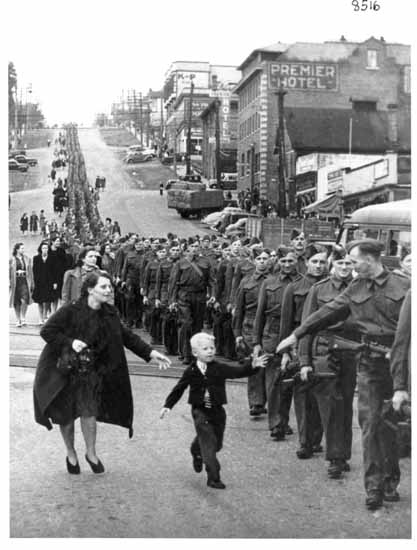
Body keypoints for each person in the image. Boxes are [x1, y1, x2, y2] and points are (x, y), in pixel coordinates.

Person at [277, 239, 410, 510]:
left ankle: (390, 478)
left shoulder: (405, 287)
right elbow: (326, 311)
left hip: (402, 363)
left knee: (390, 424)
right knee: (370, 423)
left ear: (370, 260)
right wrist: (296, 334)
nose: (349, 265)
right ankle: (373, 488)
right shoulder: (356, 286)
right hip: (370, 363)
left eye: (354, 260)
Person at [33, 271, 171, 475]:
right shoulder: (70, 310)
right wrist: (70, 342)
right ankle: (71, 453)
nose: (108, 291)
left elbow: (126, 336)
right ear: (90, 290)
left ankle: (91, 453)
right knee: (67, 417)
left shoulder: (109, 312)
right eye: (103, 287)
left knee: (89, 412)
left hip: (91, 371)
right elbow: (47, 331)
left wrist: (150, 352)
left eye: (109, 287)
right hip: (65, 372)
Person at [160, 332, 268, 489]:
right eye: (205, 348)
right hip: (200, 411)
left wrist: (252, 366)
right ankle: (214, 477)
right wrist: (167, 406)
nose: (210, 351)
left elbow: (237, 372)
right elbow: (179, 389)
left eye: (212, 348)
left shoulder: (219, 368)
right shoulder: (191, 371)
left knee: (216, 445)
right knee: (209, 444)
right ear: (195, 353)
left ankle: (196, 450)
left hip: (217, 411)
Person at [297, 245, 357, 478]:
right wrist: (304, 360)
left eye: (348, 263)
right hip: (323, 351)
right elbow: (307, 325)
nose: (344, 267)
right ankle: (336, 458)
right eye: (340, 263)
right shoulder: (319, 289)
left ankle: (342, 453)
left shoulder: (360, 288)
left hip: (350, 352)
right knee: (331, 405)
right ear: (332, 266)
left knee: (346, 406)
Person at [279, 243, 329, 458]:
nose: (318, 266)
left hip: (326, 346)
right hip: (301, 343)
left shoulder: (333, 286)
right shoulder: (295, 287)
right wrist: (286, 351)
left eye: (322, 262)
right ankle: (306, 441)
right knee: (303, 394)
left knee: (323, 394)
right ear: (306, 262)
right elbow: (286, 321)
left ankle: (316, 439)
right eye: (315, 261)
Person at [253, 247, 301, 439]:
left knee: (290, 382)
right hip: (272, 336)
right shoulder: (268, 283)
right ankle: (276, 424)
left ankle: (284, 420)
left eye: (291, 261)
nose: (287, 264)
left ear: (297, 260)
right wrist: (256, 342)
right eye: (283, 261)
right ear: (278, 262)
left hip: (295, 334)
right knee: (274, 382)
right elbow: (259, 314)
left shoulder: (304, 283)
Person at [233, 248, 271, 416]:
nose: (262, 261)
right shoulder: (246, 281)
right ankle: (256, 403)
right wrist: (237, 333)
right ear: (254, 261)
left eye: (265, 258)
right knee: (256, 362)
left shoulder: (274, 281)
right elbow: (239, 308)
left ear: (270, 261)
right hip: (249, 325)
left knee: (268, 363)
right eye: (259, 259)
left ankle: (266, 399)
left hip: (269, 326)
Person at [168, 240, 216, 364]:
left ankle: (194, 353)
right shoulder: (180, 263)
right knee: (186, 324)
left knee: (197, 326)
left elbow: (212, 281)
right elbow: (173, 283)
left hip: (200, 296)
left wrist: (213, 295)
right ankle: (185, 353)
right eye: (192, 246)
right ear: (187, 248)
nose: (194, 249)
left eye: (196, 246)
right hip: (184, 296)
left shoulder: (206, 262)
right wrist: (172, 300)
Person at [32, 242, 58, 325]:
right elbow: (34, 271)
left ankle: (45, 316)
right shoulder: (36, 258)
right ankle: (40, 318)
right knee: (40, 300)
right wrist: (34, 282)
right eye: (43, 248)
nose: (45, 250)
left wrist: (55, 282)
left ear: (48, 249)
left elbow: (55, 271)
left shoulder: (52, 258)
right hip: (39, 282)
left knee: (47, 300)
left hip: (49, 282)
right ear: (40, 249)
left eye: (46, 248)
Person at [10, 243, 34, 327]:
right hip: (16, 281)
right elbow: (8, 271)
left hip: (24, 281)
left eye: (24, 248)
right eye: (22, 248)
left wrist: (32, 282)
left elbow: (30, 271)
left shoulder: (27, 259)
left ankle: (23, 317)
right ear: (17, 249)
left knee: (25, 300)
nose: (23, 250)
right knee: (16, 301)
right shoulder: (12, 260)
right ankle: (18, 319)